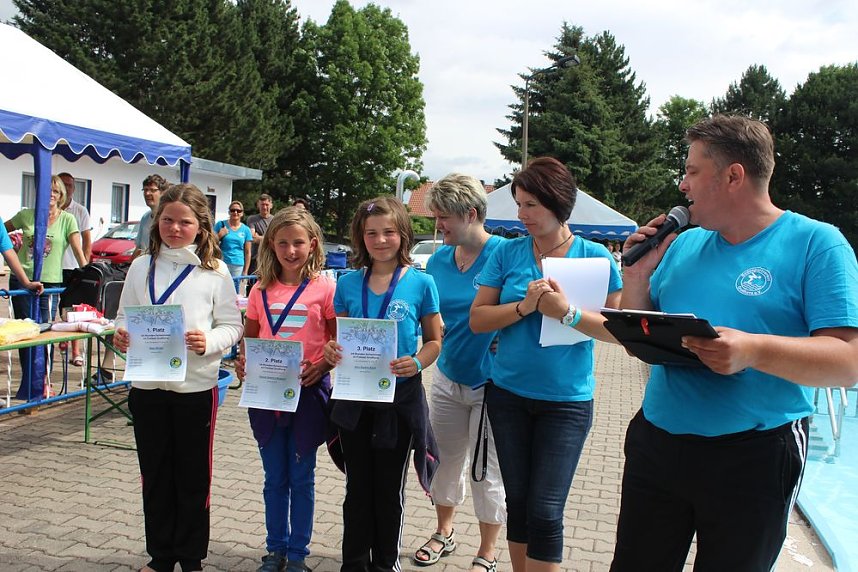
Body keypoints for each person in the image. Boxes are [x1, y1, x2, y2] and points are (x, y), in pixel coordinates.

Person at [609, 115, 858, 572]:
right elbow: (641, 334)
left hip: (754, 456)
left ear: (733, 176)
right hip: (658, 442)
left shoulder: (817, 245)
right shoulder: (685, 246)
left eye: (691, 171)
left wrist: (754, 350)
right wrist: (637, 278)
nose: (682, 185)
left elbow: (848, 361)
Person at [470, 157, 622, 572]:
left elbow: (614, 330)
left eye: (532, 205)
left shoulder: (596, 258)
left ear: (559, 203)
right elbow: (478, 319)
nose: (522, 215)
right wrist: (524, 307)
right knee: (518, 501)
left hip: (567, 401)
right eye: (519, 204)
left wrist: (566, 312)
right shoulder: (507, 252)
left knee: (546, 507)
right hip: (508, 396)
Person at [113, 183, 244, 572]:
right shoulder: (140, 266)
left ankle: (191, 558)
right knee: (154, 474)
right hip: (147, 386)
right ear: (156, 222)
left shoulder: (214, 271)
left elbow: (231, 325)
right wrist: (121, 334)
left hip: (195, 388)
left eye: (184, 222)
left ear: (200, 227)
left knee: (192, 477)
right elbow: (124, 316)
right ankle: (160, 556)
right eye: (167, 220)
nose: (174, 228)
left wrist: (209, 341)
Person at [323, 196, 443, 572]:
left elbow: (435, 341)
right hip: (355, 398)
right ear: (361, 236)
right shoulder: (346, 283)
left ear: (403, 234)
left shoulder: (422, 283)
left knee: (389, 489)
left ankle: (385, 562)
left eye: (389, 231)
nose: (380, 240)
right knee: (357, 487)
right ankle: (354, 563)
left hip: (399, 399)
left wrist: (417, 362)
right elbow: (338, 339)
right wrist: (331, 352)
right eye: (372, 233)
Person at [235, 207, 336, 572]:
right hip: (266, 394)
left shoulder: (325, 288)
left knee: (301, 475)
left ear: (312, 244)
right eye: (283, 243)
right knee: (274, 477)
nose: (290, 251)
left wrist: (323, 364)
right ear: (271, 246)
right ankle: (274, 548)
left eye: (298, 243)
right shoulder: (260, 288)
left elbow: (336, 339)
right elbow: (250, 336)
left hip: (307, 394)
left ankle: (297, 554)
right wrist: (242, 361)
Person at [413, 174, 505, 572]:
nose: (438, 225)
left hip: (493, 383)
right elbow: (430, 316)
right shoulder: (437, 259)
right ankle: (444, 532)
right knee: (445, 460)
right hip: (448, 377)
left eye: (444, 217)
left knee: (487, 469)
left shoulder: (505, 253)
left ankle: (487, 549)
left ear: (470, 214)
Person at [5, 174, 87, 402]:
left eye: (56, 192)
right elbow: (3, 231)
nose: (51, 196)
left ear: (61, 196)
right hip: (21, 281)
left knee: (45, 334)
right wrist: (13, 241)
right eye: (46, 191)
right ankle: (27, 385)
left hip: (49, 284)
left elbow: (79, 252)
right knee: (23, 335)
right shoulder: (26, 215)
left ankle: (43, 384)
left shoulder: (67, 219)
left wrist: (89, 276)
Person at [59, 171, 93, 367]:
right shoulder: (48, 210)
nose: (67, 188)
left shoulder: (80, 211)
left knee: (74, 310)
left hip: (73, 268)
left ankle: (76, 351)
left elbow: (87, 241)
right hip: (55, 269)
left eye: (70, 185)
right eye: (63, 184)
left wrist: (84, 267)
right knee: (60, 309)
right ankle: (61, 339)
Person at [214, 200, 252, 291]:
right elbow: (210, 242)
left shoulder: (246, 229)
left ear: (242, 213)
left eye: (238, 211)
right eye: (233, 210)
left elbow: (247, 252)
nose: (235, 212)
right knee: (220, 289)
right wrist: (220, 235)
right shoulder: (221, 225)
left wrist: (245, 271)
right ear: (229, 212)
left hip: (238, 264)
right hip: (222, 262)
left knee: (234, 290)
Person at [132, 174, 168, 259]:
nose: (147, 193)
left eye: (152, 190)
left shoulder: (168, 219)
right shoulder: (145, 217)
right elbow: (139, 248)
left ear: (162, 193)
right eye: (145, 190)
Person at [246, 193, 275, 280]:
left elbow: (277, 238)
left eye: (267, 205)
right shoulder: (252, 219)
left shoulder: (275, 220)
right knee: (253, 284)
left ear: (271, 205)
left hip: (271, 257)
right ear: (258, 205)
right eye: (262, 204)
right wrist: (269, 238)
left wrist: (260, 237)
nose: (264, 207)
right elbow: (253, 238)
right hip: (256, 258)